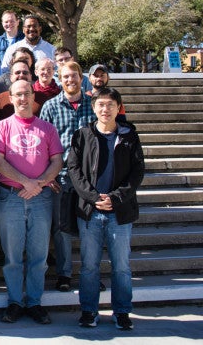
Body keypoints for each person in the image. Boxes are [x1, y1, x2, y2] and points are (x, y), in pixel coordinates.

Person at [67, 88, 144, 331]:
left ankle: (122, 312)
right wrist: (93, 197)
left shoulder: (129, 135)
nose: (105, 109)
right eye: (100, 104)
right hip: (90, 211)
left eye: (110, 104)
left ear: (118, 107)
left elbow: (137, 173)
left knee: (121, 266)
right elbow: (74, 170)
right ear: (94, 107)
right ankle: (89, 311)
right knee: (89, 266)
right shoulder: (83, 134)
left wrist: (115, 198)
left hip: (119, 212)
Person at [0, 80, 63, 326]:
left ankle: (34, 302)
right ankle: (14, 302)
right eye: (18, 94)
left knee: (39, 255)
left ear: (34, 97)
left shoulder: (48, 129)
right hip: (11, 197)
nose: (22, 98)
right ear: (11, 98)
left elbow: (57, 162)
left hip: (41, 198)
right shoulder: (1, 127)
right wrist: (26, 182)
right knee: (12, 256)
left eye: (26, 94)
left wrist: (39, 184)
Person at [39, 61, 96, 293]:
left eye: (74, 76)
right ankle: (64, 273)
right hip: (60, 177)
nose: (69, 80)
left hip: (89, 178)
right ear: (59, 79)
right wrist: (47, 175)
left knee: (89, 228)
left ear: (81, 78)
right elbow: (41, 144)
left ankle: (90, 274)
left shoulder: (94, 106)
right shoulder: (51, 107)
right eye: (65, 77)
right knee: (61, 229)